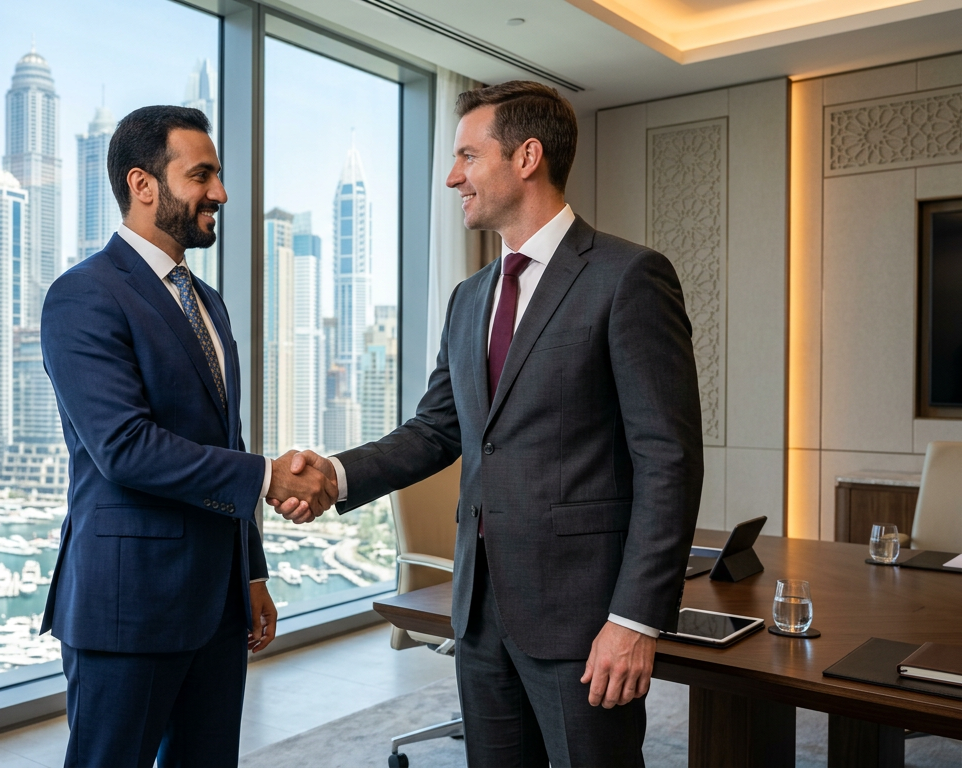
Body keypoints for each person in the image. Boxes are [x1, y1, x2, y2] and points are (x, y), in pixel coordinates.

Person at [272, 81, 703, 767]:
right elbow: (436, 430)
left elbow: (668, 461)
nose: (452, 177)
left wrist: (634, 619)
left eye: (468, 156)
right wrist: (336, 474)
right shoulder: (469, 297)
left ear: (526, 157)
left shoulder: (627, 278)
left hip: (584, 616)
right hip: (478, 612)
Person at [39, 105, 337, 768]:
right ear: (143, 184)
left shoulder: (209, 301)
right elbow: (124, 447)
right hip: (130, 606)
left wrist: (250, 571)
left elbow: (225, 443)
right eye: (201, 175)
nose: (220, 193)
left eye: (217, 175)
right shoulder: (83, 295)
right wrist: (268, 476)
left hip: (218, 605)